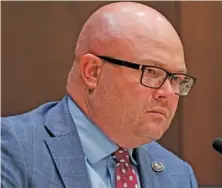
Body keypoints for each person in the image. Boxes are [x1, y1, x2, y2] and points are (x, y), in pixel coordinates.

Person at [1, 2, 198, 188]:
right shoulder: (13, 149)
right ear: (93, 72)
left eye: (176, 79)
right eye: (152, 72)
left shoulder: (177, 175)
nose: (168, 93)